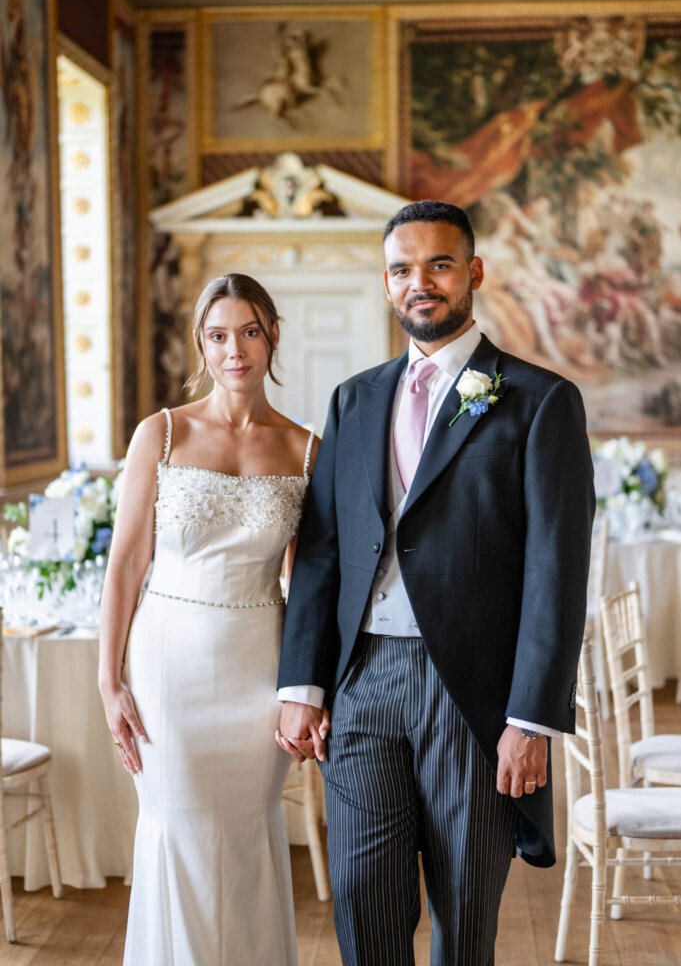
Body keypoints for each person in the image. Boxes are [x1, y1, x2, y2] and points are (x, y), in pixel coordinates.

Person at [276, 200, 595, 966]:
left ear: (473, 272)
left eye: (438, 264)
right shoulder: (353, 401)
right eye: (400, 269)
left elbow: (558, 568)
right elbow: (322, 552)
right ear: (386, 285)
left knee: (462, 917)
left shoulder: (538, 400)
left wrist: (530, 718)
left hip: (472, 694)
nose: (419, 283)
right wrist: (303, 686)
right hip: (362, 686)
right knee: (364, 905)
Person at [98, 274, 321, 966]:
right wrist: (110, 683)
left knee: (250, 829)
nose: (235, 350)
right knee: (179, 828)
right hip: (169, 666)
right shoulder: (160, 434)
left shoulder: (305, 448)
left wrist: (305, 690)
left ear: (273, 335)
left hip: (259, 661)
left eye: (249, 332)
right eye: (219, 335)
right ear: (201, 342)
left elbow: (307, 584)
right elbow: (127, 564)